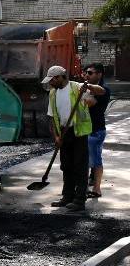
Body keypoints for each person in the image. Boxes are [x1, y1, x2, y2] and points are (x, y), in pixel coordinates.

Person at [43, 65, 104, 211]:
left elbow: (101, 91)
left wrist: (89, 87)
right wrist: (56, 137)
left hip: (79, 132)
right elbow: (52, 117)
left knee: (80, 166)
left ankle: (79, 200)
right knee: (66, 166)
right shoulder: (52, 93)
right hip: (64, 133)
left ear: (60, 77)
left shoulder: (76, 87)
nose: (50, 83)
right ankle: (67, 196)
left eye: (52, 80)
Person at [82, 62, 111, 198]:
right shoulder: (89, 88)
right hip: (87, 129)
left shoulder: (103, 90)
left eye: (90, 73)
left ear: (99, 74)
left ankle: (97, 189)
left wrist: (84, 89)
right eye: (85, 73)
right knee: (88, 160)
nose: (86, 75)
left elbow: (89, 102)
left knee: (96, 160)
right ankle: (89, 184)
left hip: (96, 130)